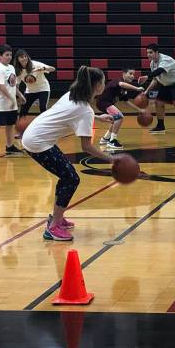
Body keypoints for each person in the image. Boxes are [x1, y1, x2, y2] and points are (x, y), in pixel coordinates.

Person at [21, 66, 113, 242]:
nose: (104, 84)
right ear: (96, 86)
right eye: (103, 82)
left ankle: (57, 217)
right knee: (71, 178)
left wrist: (97, 117)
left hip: (35, 135)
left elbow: (74, 113)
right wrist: (111, 159)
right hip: (38, 142)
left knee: (66, 176)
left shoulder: (71, 94)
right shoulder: (85, 111)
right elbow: (87, 147)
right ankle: (53, 227)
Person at [142, 44, 175, 136]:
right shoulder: (152, 63)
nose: (148, 55)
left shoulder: (165, 60)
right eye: (147, 53)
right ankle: (160, 126)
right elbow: (156, 79)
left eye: (150, 52)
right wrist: (146, 92)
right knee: (158, 102)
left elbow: (160, 70)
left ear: (157, 52)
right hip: (166, 83)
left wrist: (147, 76)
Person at [0, 44, 25, 159]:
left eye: (10, 55)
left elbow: (12, 85)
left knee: (10, 125)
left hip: (12, 103)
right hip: (1, 103)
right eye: (6, 55)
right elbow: (0, 86)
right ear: (0, 56)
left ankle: (9, 147)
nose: (9, 57)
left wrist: (20, 95)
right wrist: (11, 99)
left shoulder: (11, 67)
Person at [94, 68, 144, 151]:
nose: (132, 76)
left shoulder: (123, 90)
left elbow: (126, 101)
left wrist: (139, 110)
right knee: (119, 117)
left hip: (105, 103)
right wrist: (137, 88)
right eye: (130, 73)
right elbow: (122, 84)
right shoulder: (119, 80)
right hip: (103, 102)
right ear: (124, 74)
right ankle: (112, 141)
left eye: (133, 74)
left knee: (116, 119)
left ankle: (106, 138)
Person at [14, 49, 56, 116]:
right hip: (30, 91)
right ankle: (21, 125)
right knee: (23, 111)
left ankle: (44, 125)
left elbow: (53, 69)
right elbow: (16, 86)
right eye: (22, 57)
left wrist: (44, 68)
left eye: (25, 56)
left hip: (43, 89)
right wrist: (19, 96)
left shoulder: (36, 64)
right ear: (18, 59)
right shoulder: (17, 71)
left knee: (43, 108)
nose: (24, 58)